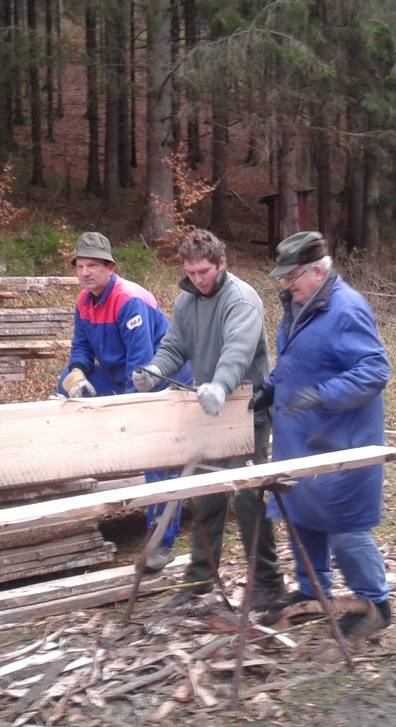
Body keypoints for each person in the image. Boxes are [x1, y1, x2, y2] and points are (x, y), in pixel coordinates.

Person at [132, 228, 285, 610]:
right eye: (192, 271)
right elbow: (174, 345)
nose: (198, 279)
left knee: (248, 496)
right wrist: (154, 369)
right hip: (207, 409)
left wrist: (220, 385)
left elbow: (238, 348)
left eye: (204, 271)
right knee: (205, 497)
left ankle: (268, 582)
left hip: (246, 409)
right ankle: (200, 580)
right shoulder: (186, 300)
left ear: (221, 263)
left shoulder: (242, 300)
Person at [254, 231, 393, 643]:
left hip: (343, 441)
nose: (286, 284)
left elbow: (374, 371)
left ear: (318, 271)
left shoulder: (345, 308)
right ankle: (313, 590)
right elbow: (296, 360)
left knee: (346, 527)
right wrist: (272, 387)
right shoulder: (298, 305)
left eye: (293, 276)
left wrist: (322, 395)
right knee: (301, 519)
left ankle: (376, 605)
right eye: (284, 277)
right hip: (301, 441)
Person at [57, 231, 191, 573]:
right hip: (121, 377)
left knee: (154, 456)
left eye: (93, 266)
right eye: (80, 266)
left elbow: (143, 367)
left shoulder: (129, 299)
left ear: (110, 267)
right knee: (64, 383)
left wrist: (121, 416)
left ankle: (161, 541)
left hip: (160, 380)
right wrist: (78, 373)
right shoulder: (84, 301)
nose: (85, 273)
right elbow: (82, 349)